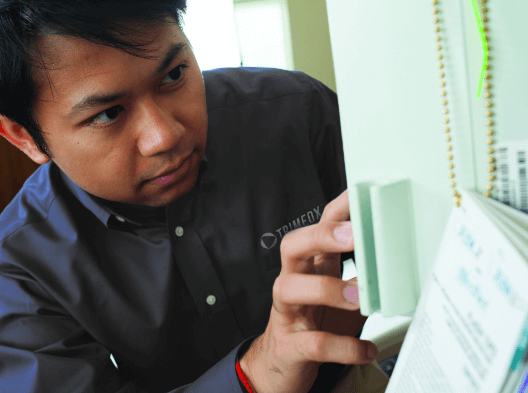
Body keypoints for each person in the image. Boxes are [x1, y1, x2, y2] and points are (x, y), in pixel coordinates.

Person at [0, 1, 379, 392]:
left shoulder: (296, 113)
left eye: (173, 75)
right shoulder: (18, 270)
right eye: (109, 114)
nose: (164, 136)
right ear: (24, 137)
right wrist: (257, 375)